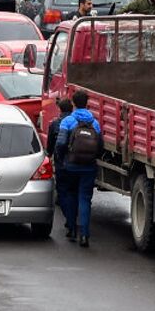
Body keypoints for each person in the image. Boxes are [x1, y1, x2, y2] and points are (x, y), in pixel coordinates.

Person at [55, 89, 103, 246]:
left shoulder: (67, 121)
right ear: (87, 104)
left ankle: (71, 228)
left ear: (73, 104)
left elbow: (61, 143)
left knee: (70, 195)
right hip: (88, 167)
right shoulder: (94, 123)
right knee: (85, 199)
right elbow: (100, 146)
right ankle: (85, 234)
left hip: (71, 165)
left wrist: (62, 160)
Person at [47, 96, 75, 235]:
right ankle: (73, 219)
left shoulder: (55, 124)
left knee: (62, 193)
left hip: (61, 164)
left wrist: (50, 157)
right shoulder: (78, 122)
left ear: (59, 109)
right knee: (74, 192)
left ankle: (70, 221)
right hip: (76, 162)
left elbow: (50, 148)